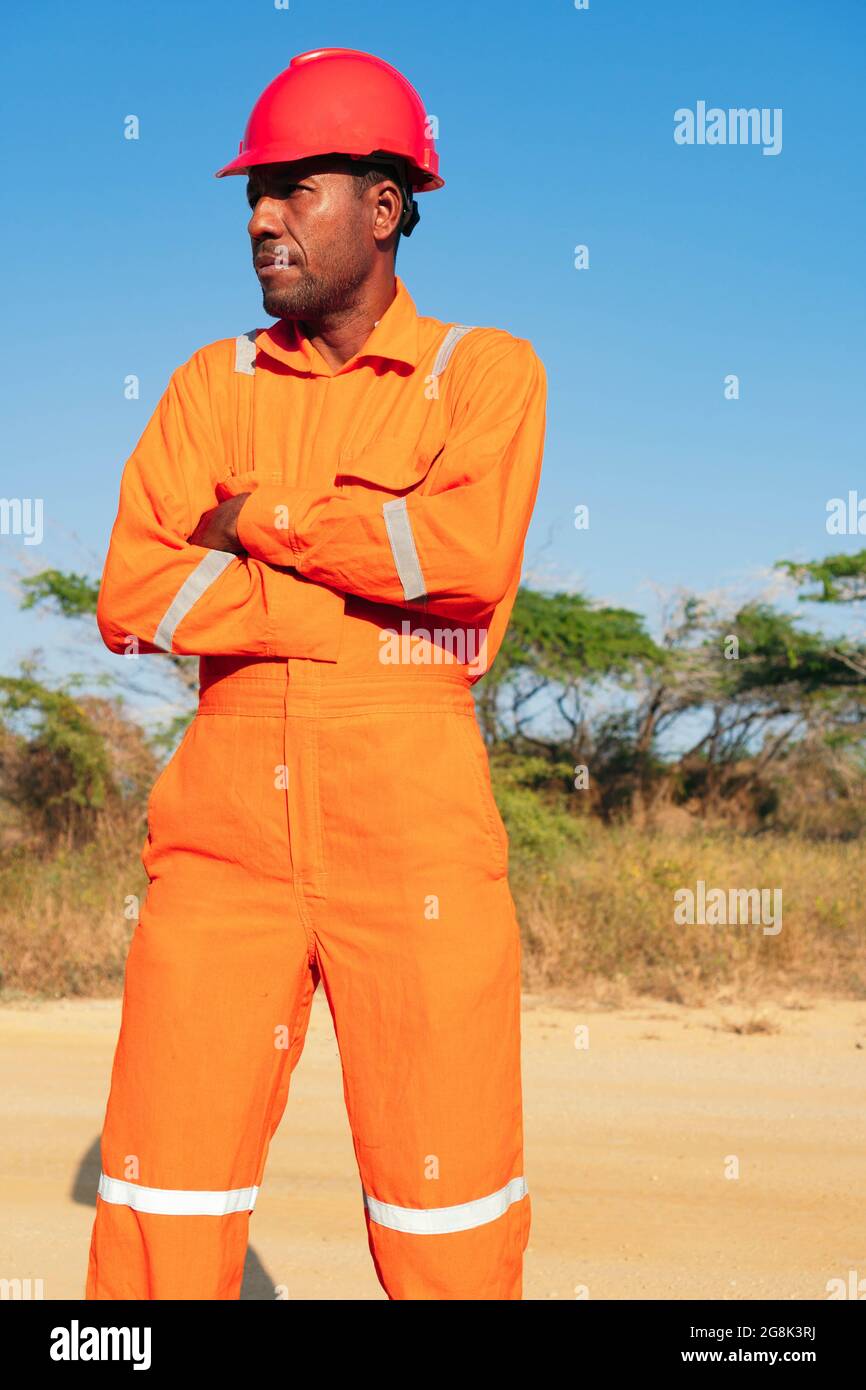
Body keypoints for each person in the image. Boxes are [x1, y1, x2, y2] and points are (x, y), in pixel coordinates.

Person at [85, 46, 547, 1301]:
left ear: (386, 205)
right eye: (253, 191)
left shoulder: (484, 374)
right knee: (159, 1189)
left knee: (444, 1203)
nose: (259, 216)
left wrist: (262, 518)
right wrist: (355, 600)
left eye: (294, 186)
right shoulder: (208, 381)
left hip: (417, 839)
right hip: (220, 841)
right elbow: (133, 593)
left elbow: (455, 560)